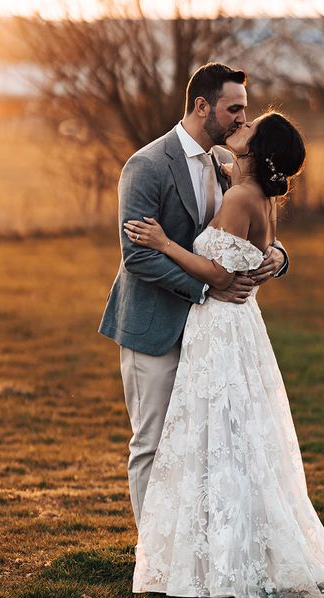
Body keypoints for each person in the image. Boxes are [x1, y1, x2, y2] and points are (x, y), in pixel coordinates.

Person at [124, 111, 324, 598]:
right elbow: (259, 246)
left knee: (217, 434)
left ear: (255, 150)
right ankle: (216, 543)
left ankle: (216, 554)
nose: (239, 126)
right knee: (231, 437)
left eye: (248, 126)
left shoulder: (242, 197)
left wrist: (163, 243)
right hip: (239, 327)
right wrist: (272, 246)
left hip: (221, 326)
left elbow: (217, 274)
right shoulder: (254, 190)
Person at [99, 63, 289, 528]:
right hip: (154, 325)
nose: (243, 120)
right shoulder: (145, 165)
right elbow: (137, 256)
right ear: (202, 106)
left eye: (245, 110)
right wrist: (210, 284)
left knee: (199, 443)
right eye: (235, 109)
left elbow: (253, 228)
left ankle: (192, 548)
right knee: (152, 442)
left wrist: (278, 257)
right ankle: (152, 551)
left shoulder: (229, 166)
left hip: (211, 336)